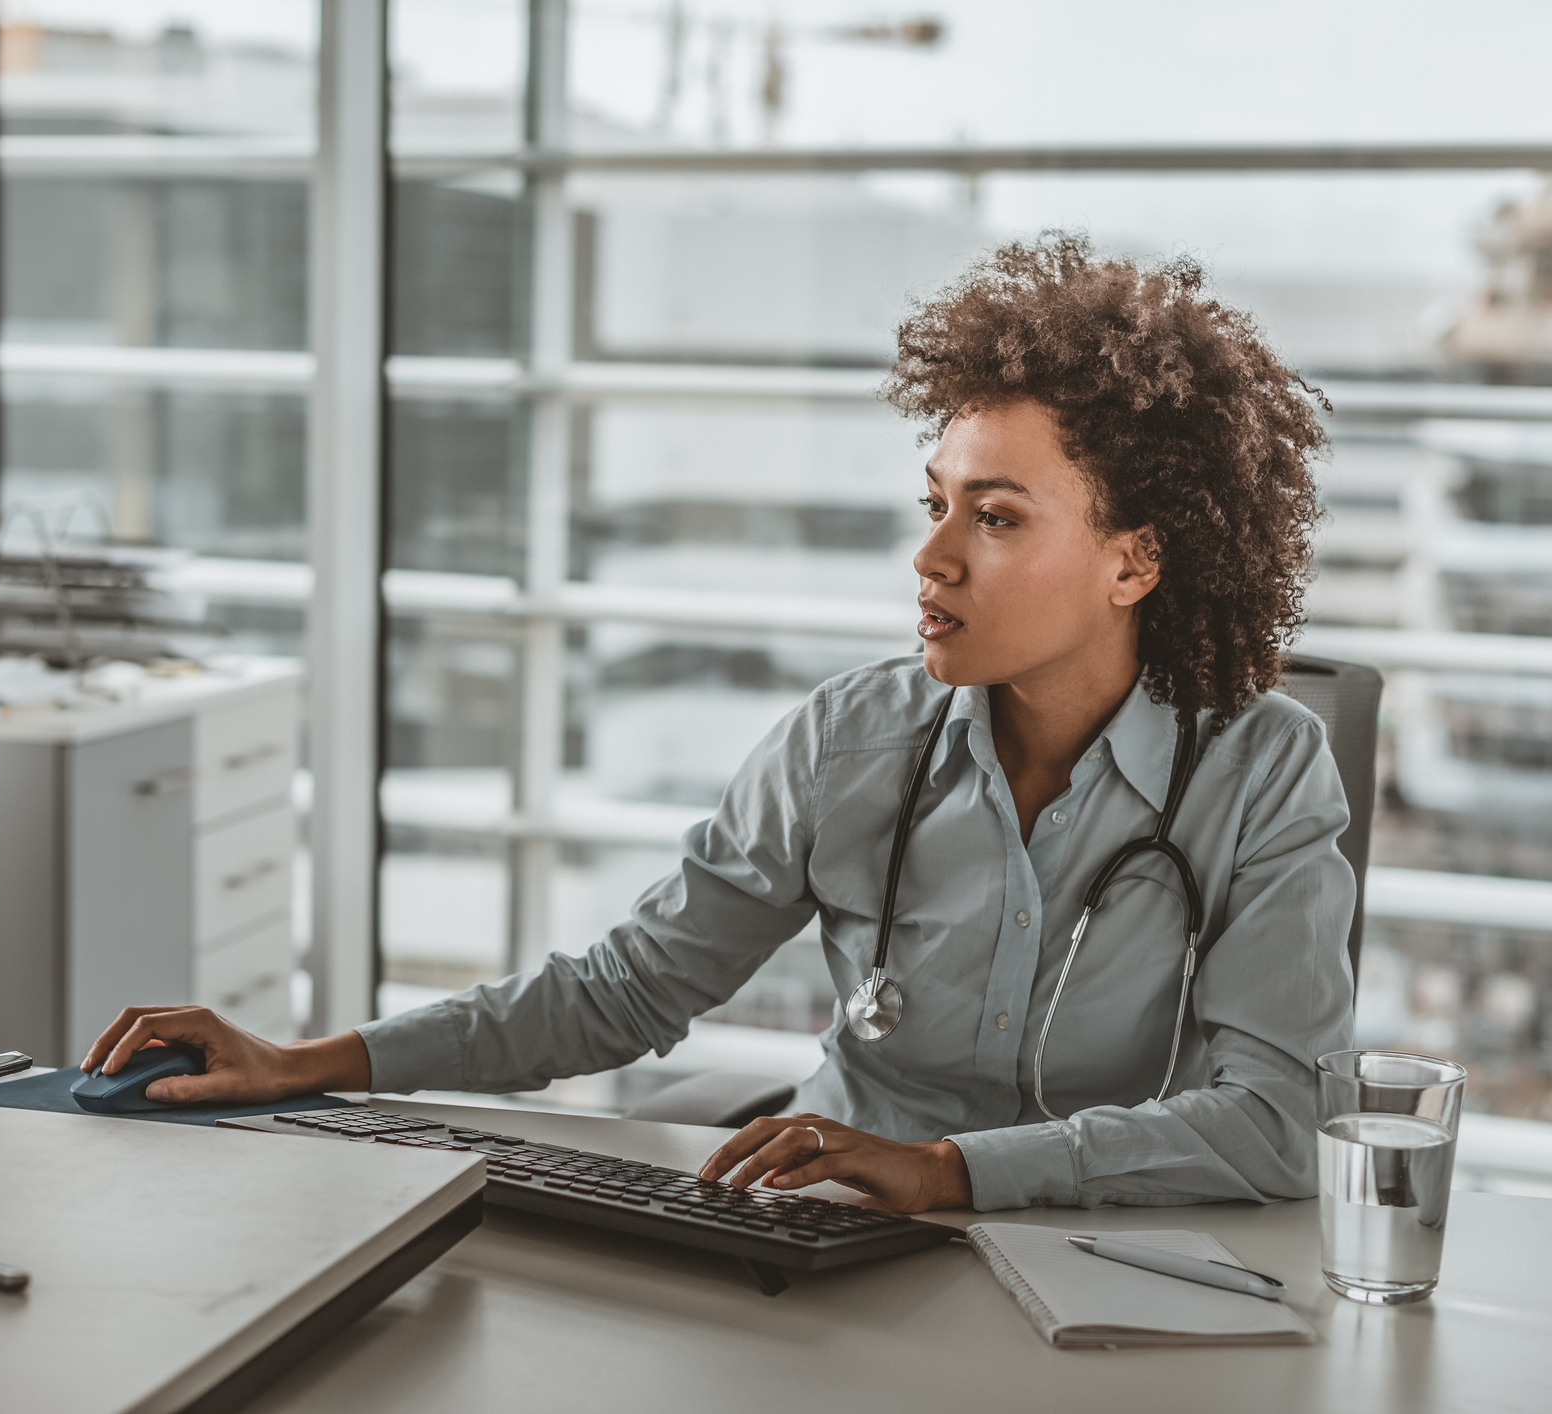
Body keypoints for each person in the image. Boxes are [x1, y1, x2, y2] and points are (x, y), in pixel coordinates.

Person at [83, 233, 1356, 1215]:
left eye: (998, 516)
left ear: (1134, 563)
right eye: (936, 502)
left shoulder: (1262, 771)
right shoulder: (851, 744)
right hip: (831, 1230)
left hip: (1101, 1267)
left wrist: (948, 1168)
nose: (932, 556)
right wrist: (305, 1061)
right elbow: (622, 995)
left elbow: (1270, 1124)